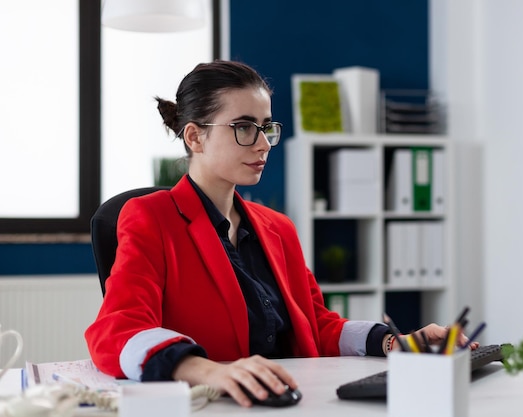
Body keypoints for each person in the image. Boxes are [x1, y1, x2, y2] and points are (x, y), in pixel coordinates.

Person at [84, 60, 478, 408]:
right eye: (243, 127)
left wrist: (397, 342)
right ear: (194, 137)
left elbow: (317, 326)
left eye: (265, 127)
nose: (262, 144)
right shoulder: (150, 217)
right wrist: (205, 370)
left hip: (300, 398)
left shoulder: (278, 227)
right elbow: (117, 328)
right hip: (219, 405)